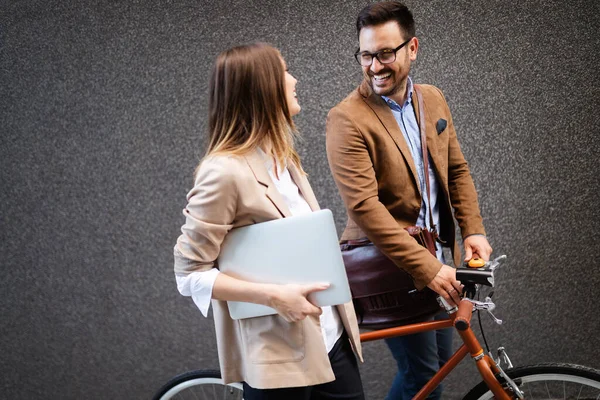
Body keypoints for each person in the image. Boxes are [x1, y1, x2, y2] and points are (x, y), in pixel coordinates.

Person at [173, 43, 365, 400]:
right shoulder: (223, 171)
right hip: (279, 360)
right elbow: (188, 274)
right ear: (262, 88)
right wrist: (274, 296)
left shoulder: (282, 156)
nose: (293, 80)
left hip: (332, 340)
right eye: (284, 71)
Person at [325, 2, 493, 399]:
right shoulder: (346, 118)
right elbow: (365, 209)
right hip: (391, 266)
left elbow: (456, 170)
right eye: (366, 55)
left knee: (432, 372)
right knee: (423, 374)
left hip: (439, 259)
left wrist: (473, 230)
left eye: (385, 53)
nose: (375, 66)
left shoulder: (431, 98)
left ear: (412, 48)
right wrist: (429, 269)